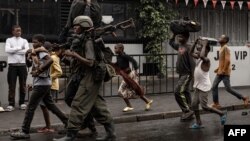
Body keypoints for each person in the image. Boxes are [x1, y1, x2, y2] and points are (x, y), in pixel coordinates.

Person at [54, 16, 116, 141]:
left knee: (79, 102)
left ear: (84, 26)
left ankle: (70, 135)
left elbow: (90, 62)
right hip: (84, 75)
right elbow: (76, 63)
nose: (74, 28)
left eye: (77, 26)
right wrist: (64, 56)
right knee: (97, 106)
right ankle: (110, 134)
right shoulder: (80, 40)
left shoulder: (88, 41)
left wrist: (74, 54)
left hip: (92, 75)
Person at [10, 34, 68, 140]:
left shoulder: (41, 51)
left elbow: (50, 61)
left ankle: (24, 131)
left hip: (41, 84)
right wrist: (28, 55)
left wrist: (39, 70)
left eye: (36, 41)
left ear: (41, 42)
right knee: (51, 106)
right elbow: (29, 64)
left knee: (30, 107)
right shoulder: (36, 52)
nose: (33, 43)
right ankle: (68, 123)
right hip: (43, 84)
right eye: (32, 41)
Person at [189, 38, 227, 129]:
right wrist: (194, 42)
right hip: (198, 86)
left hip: (204, 87)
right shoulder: (199, 58)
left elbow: (202, 55)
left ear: (206, 51)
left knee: (204, 106)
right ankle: (198, 123)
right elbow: (190, 53)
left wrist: (205, 44)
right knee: (194, 105)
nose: (198, 49)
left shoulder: (206, 60)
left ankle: (222, 113)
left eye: (201, 48)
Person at [210, 35, 249, 109]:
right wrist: (218, 68)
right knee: (214, 87)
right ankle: (216, 103)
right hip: (220, 72)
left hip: (224, 73)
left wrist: (223, 70)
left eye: (221, 38)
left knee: (228, 89)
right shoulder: (221, 48)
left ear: (225, 41)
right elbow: (223, 61)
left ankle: (244, 98)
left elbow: (228, 61)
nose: (219, 38)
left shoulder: (226, 48)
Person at [113, 43, 153, 112]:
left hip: (131, 75)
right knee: (122, 91)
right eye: (115, 48)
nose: (115, 50)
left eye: (116, 48)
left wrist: (136, 70)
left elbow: (134, 62)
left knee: (136, 89)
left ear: (121, 49)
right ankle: (145, 102)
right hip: (126, 77)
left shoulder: (125, 56)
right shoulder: (118, 57)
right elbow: (118, 64)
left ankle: (145, 102)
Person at [36, 42, 63, 133]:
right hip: (48, 84)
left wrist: (49, 77)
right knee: (45, 106)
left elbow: (59, 72)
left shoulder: (53, 58)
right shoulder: (47, 57)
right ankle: (48, 126)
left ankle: (49, 126)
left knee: (46, 106)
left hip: (51, 85)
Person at [169, 32, 195, 121]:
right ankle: (190, 111)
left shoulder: (189, 47)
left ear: (186, 37)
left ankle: (187, 111)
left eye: (181, 36)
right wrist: (173, 33)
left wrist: (193, 76)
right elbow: (171, 43)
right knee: (186, 92)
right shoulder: (180, 46)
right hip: (181, 73)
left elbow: (192, 63)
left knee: (178, 91)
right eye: (178, 35)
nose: (179, 37)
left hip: (187, 74)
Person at [5, 25, 29, 111]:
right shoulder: (9, 40)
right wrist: (19, 49)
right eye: (17, 30)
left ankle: (22, 103)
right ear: (13, 31)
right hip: (12, 66)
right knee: (12, 85)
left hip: (22, 65)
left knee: (22, 85)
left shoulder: (24, 40)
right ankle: (11, 104)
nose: (19, 32)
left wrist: (14, 50)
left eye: (20, 30)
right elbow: (7, 50)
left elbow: (26, 51)